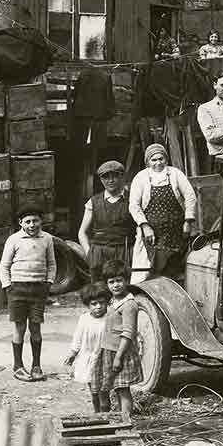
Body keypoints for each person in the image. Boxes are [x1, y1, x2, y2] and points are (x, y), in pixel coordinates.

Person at [0, 205, 57, 382]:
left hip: (38, 290)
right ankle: (18, 366)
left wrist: (49, 283)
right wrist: (8, 286)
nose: (32, 225)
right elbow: (4, 266)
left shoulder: (47, 239)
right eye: (28, 221)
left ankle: (36, 365)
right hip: (17, 290)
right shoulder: (14, 239)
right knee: (19, 327)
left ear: (42, 221)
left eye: (36, 221)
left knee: (36, 327)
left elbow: (52, 263)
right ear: (21, 223)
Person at [129, 143, 198, 283]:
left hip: (176, 232)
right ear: (147, 161)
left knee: (174, 266)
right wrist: (145, 226)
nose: (158, 163)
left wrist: (188, 221)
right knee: (151, 267)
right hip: (152, 234)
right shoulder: (141, 177)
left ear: (166, 159)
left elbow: (190, 196)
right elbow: (134, 205)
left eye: (161, 159)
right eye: (153, 160)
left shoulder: (175, 174)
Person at [78, 160, 136, 282]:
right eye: (106, 177)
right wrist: (90, 254)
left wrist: (135, 253)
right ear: (101, 179)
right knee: (100, 292)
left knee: (123, 289)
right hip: (99, 253)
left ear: (122, 177)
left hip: (124, 252)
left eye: (115, 176)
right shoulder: (93, 202)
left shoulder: (133, 199)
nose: (110, 180)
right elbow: (82, 232)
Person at [99, 259, 142, 415]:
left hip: (122, 353)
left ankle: (126, 422)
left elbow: (128, 333)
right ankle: (113, 418)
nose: (115, 285)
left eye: (119, 281)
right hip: (110, 350)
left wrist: (118, 357)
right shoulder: (112, 300)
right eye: (111, 282)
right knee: (114, 388)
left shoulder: (129, 305)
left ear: (126, 281)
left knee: (123, 389)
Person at [64, 284, 110, 412]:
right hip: (89, 359)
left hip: (105, 359)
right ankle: (97, 414)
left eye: (101, 303)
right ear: (88, 305)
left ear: (107, 302)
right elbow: (77, 338)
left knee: (103, 392)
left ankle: (105, 416)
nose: (98, 307)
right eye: (94, 304)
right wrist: (73, 353)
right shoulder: (84, 319)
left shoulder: (110, 318)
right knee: (94, 391)